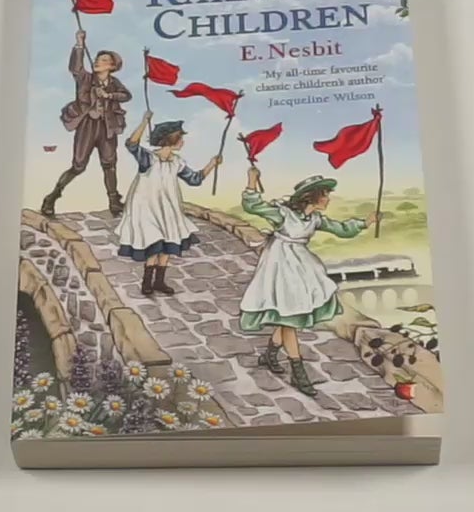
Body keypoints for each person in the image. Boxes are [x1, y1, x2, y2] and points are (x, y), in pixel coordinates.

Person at [236, 163, 369, 397]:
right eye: (325, 194)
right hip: (279, 267)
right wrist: (252, 180)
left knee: (288, 314)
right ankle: (298, 372)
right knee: (289, 317)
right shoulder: (283, 214)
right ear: (312, 197)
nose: (328, 199)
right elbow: (253, 206)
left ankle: (269, 355)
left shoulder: (315, 219)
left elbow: (341, 229)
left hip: (301, 268)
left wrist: (364, 223)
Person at [116, 112, 222, 296]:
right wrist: (144, 122)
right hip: (147, 208)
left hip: (167, 208)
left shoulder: (177, 162)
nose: (182, 142)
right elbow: (131, 144)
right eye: (180, 138)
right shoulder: (149, 159)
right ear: (171, 139)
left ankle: (159, 282)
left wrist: (212, 164)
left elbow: (195, 179)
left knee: (167, 244)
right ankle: (147, 282)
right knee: (153, 244)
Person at [40, 27, 133, 218]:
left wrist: (109, 95)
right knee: (79, 166)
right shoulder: (85, 79)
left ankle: (114, 201)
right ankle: (52, 197)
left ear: (112, 66)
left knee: (109, 164)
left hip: (107, 127)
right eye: (98, 59)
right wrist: (79, 44)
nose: (98, 61)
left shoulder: (114, 83)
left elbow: (126, 95)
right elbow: (75, 68)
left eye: (104, 60)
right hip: (87, 126)